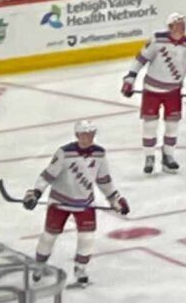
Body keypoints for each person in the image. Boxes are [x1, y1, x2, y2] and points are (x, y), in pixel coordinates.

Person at [23, 121, 127, 288]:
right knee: (49, 236)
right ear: (77, 135)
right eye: (85, 134)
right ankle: (40, 264)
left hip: (85, 203)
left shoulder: (99, 154)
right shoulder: (64, 153)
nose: (88, 137)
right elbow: (47, 175)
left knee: (87, 238)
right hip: (59, 202)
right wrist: (35, 193)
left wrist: (115, 199)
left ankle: (80, 269)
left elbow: (104, 180)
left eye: (91, 134)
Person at [119, 12, 186, 174]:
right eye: (178, 25)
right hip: (152, 90)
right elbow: (140, 59)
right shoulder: (157, 40)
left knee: (172, 126)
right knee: (150, 125)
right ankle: (149, 156)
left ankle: (168, 156)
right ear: (170, 27)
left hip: (173, 92)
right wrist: (130, 79)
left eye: (183, 25)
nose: (181, 28)